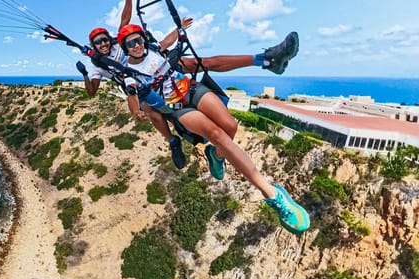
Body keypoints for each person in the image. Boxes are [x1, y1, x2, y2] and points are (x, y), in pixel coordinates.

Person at [118, 24, 310, 235]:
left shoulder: (154, 49)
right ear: (125, 48)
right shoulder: (129, 72)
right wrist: (136, 111)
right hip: (177, 107)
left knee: (230, 126)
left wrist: (179, 28)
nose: (136, 45)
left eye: (138, 40)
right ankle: (273, 195)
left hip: (191, 90)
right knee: (217, 135)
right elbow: (132, 95)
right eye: (130, 43)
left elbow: (168, 41)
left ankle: (215, 155)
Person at [77, 0, 299, 170]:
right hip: (140, 82)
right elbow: (93, 91)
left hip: (155, 65)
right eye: (98, 43)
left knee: (199, 62)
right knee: (151, 111)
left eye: (105, 39)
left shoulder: (123, 44)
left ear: (111, 39)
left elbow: (136, 28)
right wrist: (87, 74)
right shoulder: (98, 64)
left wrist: (178, 29)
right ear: (93, 46)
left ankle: (266, 59)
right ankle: (173, 141)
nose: (103, 43)